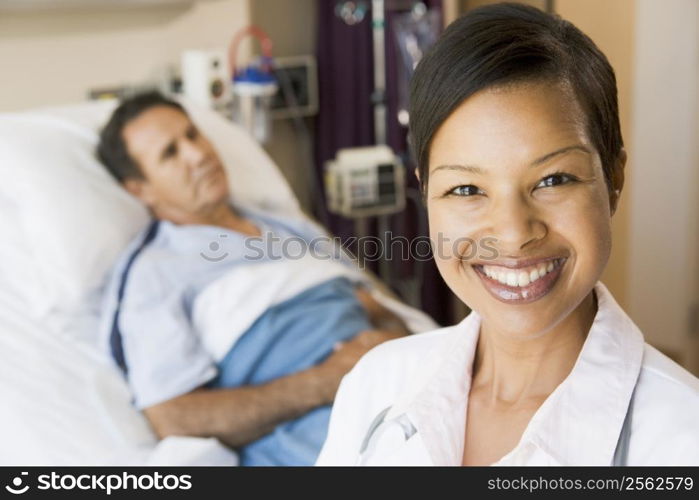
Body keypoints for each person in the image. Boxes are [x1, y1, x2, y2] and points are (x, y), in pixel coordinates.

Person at [317, 3, 699, 466]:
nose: (514, 233)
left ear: (614, 179)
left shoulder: (682, 437)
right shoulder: (375, 385)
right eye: (465, 189)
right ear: (426, 192)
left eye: (554, 180)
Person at [96, 92, 413, 466]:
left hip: (395, 391)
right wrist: (324, 382)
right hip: (317, 436)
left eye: (193, 135)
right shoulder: (155, 272)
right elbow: (173, 416)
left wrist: (391, 348)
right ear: (140, 189)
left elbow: (377, 307)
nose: (198, 155)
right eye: (170, 153)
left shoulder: (289, 228)